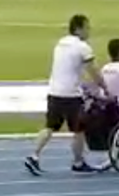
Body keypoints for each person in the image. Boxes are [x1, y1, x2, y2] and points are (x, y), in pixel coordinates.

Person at [24, 14, 107, 176]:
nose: (88, 31)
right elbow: (93, 71)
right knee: (79, 130)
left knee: (49, 126)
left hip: (55, 90)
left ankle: (34, 155)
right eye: (86, 27)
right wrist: (104, 86)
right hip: (71, 95)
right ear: (78, 29)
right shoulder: (83, 47)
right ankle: (78, 162)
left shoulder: (60, 43)